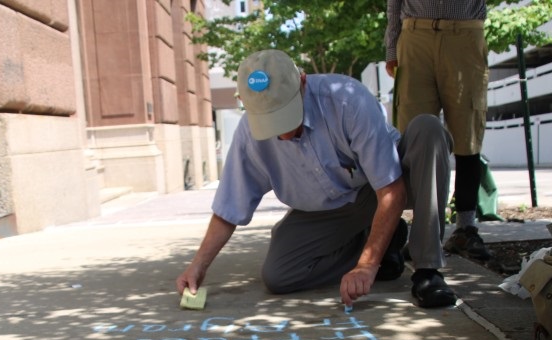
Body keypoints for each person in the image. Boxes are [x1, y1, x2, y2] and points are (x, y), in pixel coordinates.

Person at [176, 49, 457, 309]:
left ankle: (427, 269)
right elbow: (229, 207)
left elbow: (391, 191)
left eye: (287, 115)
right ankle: (386, 240)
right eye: (271, 122)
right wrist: (198, 265)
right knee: (279, 275)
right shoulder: (247, 134)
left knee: (428, 129)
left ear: (302, 82)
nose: (284, 134)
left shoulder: (347, 99)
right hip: (327, 211)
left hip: (382, 187)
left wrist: (366, 266)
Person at [385, 0, 491, 261]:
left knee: (468, 136)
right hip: (414, 36)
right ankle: (418, 233)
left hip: (466, 34)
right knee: (414, 137)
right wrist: (391, 47)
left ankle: (466, 227)